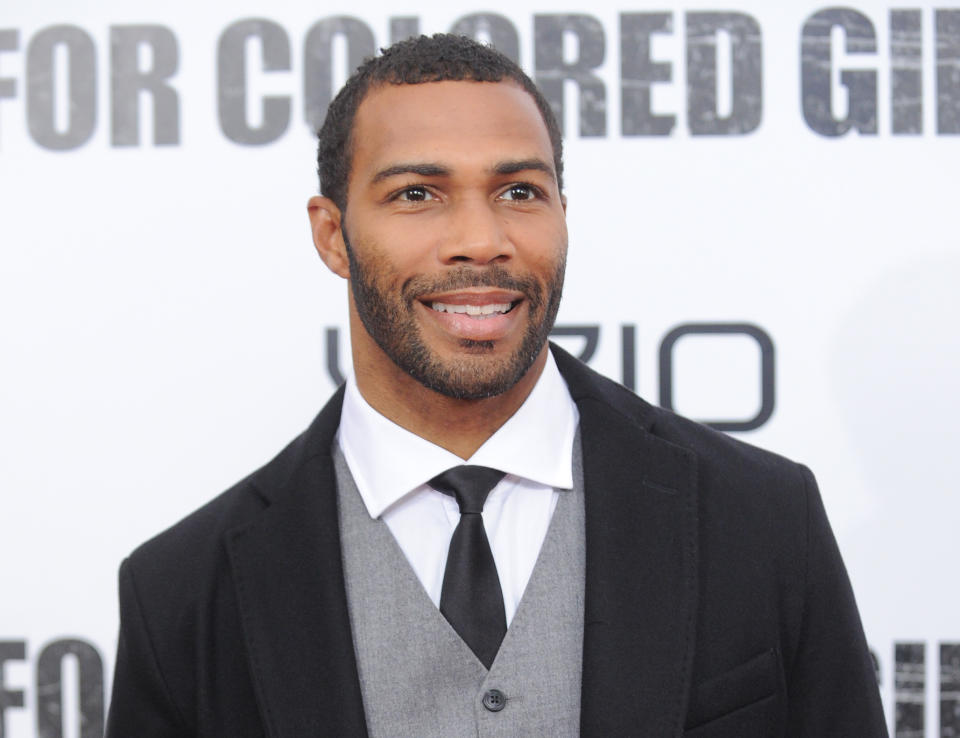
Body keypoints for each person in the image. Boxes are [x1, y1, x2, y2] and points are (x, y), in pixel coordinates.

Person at [105, 33, 888, 737]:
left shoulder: (760, 519)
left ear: (562, 214)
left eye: (520, 192)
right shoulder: (182, 593)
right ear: (331, 235)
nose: (482, 239)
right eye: (418, 193)